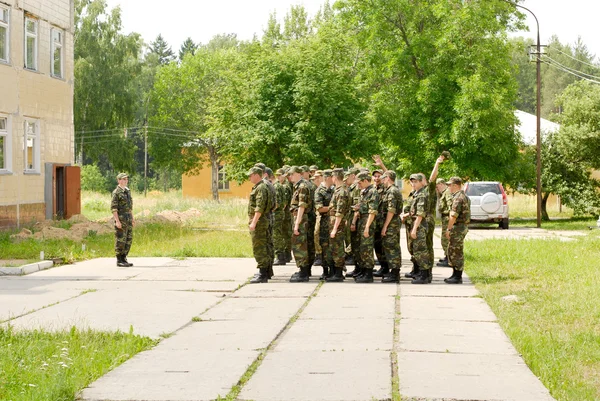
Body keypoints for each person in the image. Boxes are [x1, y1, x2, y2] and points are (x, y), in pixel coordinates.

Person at [247, 166, 273, 283]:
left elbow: (259, 207)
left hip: (260, 222)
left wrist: (253, 222)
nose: (249, 177)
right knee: (266, 246)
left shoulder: (261, 187)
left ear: (257, 175)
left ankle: (262, 274)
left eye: (251, 175)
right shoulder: (265, 186)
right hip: (264, 220)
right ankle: (266, 272)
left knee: (259, 247)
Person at [444, 177, 471, 284]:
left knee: (456, 251)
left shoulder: (458, 198)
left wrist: (448, 229)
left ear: (455, 185)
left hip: (458, 227)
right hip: (461, 227)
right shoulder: (464, 196)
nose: (448, 187)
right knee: (453, 250)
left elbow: (453, 216)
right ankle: (455, 274)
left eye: (450, 185)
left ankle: (457, 276)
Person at [354, 171, 379, 283]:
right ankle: (364, 271)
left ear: (365, 181)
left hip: (367, 222)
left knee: (367, 248)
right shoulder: (365, 192)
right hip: (362, 221)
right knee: (362, 248)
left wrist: (367, 227)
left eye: (360, 182)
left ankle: (368, 274)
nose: (358, 185)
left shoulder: (372, 192)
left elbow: (373, 211)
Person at [327, 168, 351, 282]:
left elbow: (340, 213)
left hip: (338, 225)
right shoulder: (338, 190)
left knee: (338, 249)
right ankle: (335, 272)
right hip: (334, 223)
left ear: (335, 177)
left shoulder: (341, 192)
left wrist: (335, 229)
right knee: (334, 248)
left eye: (332, 176)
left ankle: (338, 273)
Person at [407, 173, 432, 284]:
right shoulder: (416, 194)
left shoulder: (422, 195)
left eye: (416, 181)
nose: (413, 184)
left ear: (422, 182)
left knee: (421, 251)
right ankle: (421, 274)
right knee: (417, 250)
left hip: (419, 226)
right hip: (416, 225)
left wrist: (414, 229)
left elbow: (420, 214)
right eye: (412, 182)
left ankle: (424, 276)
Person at [289, 166, 313, 282]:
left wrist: (297, 224)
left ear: (298, 174)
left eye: (292, 174)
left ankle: (303, 273)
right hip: (301, 218)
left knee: (299, 245)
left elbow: (302, 206)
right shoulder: (301, 185)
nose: (290, 176)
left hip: (301, 218)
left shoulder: (302, 186)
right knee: (303, 245)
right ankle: (304, 271)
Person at [380, 170, 403, 283]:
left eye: (383, 178)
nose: (382, 181)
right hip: (392, 222)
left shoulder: (392, 191)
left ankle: (394, 273)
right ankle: (393, 271)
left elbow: (391, 210)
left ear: (388, 178)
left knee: (391, 247)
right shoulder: (391, 190)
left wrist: (385, 226)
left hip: (391, 223)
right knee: (391, 246)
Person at [112, 173, 134, 267]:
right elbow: (114, 208)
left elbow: (129, 207)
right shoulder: (116, 192)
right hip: (121, 218)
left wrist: (132, 218)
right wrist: (117, 221)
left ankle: (124, 257)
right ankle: (119, 259)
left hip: (128, 218)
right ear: (119, 180)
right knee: (120, 239)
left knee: (128, 239)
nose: (125, 181)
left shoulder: (127, 191)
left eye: (126, 179)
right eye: (123, 179)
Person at [314, 169, 334, 279]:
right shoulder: (319, 191)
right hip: (325, 223)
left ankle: (334, 269)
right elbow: (320, 208)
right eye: (332, 176)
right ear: (327, 178)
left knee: (334, 247)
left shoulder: (334, 189)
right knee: (325, 247)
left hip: (334, 223)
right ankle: (326, 270)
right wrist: (333, 208)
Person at [372, 169, 389, 277]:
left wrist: (382, 165)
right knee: (376, 245)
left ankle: (386, 267)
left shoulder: (385, 188)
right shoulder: (372, 189)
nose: (377, 178)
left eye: (379, 176)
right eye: (375, 176)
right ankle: (382, 266)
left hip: (382, 221)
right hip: (374, 222)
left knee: (384, 246)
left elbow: (389, 175)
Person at [273, 168, 289, 265]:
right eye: (277, 175)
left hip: (279, 214)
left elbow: (280, 203)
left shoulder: (279, 186)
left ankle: (281, 256)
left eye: (280, 175)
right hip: (281, 213)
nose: (278, 177)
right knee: (280, 234)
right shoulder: (280, 185)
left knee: (278, 235)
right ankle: (283, 255)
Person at [436, 177, 453, 267]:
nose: (436, 189)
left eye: (437, 186)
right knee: (444, 239)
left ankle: (449, 259)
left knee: (445, 239)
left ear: (441, 184)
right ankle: (447, 256)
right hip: (445, 218)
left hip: (447, 219)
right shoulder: (443, 193)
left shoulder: (447, 193)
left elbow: (450, 207)